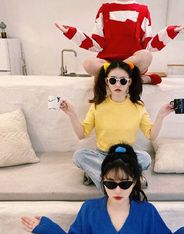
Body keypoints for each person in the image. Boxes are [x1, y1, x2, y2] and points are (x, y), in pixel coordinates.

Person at [21, 144, 184, 234]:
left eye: (124, 184)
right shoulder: (89, 210)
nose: (117, 190)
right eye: (109, 184)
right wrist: (46, 229)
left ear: (134, 183)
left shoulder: (147, 213)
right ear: (102, 181)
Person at [55, 0, 184, 84]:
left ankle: (113, 76)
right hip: (107, 61)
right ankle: (136, 79)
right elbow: (96, 44)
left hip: (133, 64)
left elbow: (148, 45)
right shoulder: (105, 9)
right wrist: (70, 32)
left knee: (146, 55)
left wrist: (171, 31)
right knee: (88, 63)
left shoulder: (143, 10)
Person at [60, 61, 174, 189]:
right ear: (107, 82)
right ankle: (127, 178)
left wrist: (161, 116)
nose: (118, 84)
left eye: (123, 81)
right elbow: (82, 134)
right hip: (103, 156)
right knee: (79, 156)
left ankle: (103, 178)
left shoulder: (138, 106)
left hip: (127, 156)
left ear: (129, 82)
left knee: (145, 158)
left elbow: (151, 135)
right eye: (113, 80)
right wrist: (72, 114)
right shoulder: (98, 105)